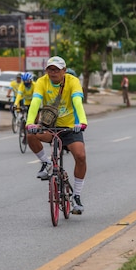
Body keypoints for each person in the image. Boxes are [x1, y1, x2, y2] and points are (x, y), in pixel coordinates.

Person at [26, 56, 89, 215]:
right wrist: (29, 122)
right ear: (46, 71)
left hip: (70, 128)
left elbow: (77, 101)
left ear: (64, 70)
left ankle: (76, 196)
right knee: (30, 135)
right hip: (49, 127)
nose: (53, 73)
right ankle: (46, 163)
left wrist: (81, 121)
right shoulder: (42, 82)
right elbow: (35, 101)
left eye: (57, 69)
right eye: (50, 69)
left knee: (80, 156)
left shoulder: (72, 81)